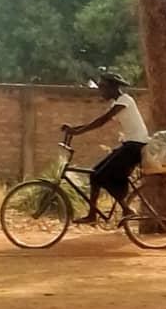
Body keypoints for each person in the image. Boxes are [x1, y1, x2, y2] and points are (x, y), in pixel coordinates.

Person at [63, 72, 149, 224]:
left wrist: (77, 132)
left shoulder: (125, 100)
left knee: (102, 176)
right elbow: (99, 121)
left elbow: (102, 121)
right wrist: (74, 129)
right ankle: (92, 216)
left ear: (112, 87)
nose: (100, 90)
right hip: (129, 144)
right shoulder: (117, 103)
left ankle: (127, 209)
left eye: (102, 87)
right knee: (94, 174)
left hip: (135, 146)